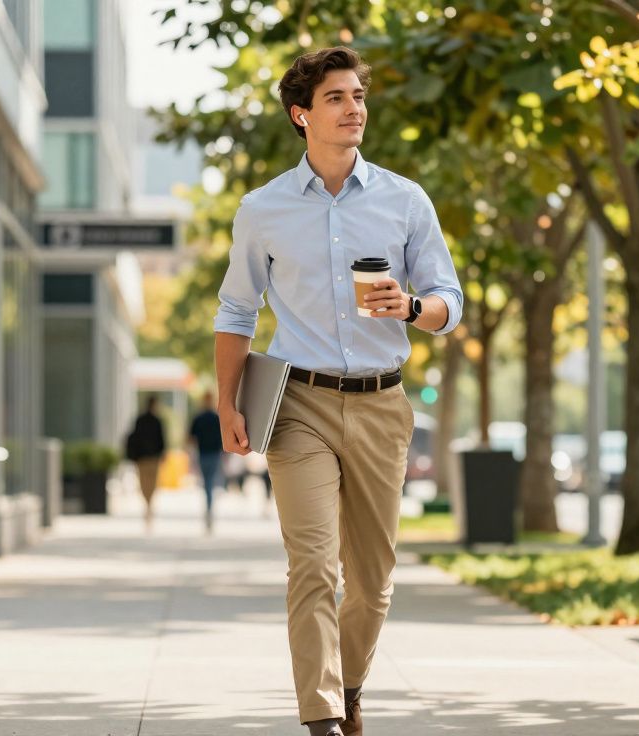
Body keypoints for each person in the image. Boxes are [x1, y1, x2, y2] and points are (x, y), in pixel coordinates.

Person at [212, 47, 463, 736]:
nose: (354, 108)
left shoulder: (404, 199)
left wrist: (412, 308)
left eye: (358, 96)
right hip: (300, 405)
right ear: (302, 115)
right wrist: (226, 404)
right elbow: (236, 311)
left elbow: (450, 300)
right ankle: (322, 718)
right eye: (336, 98)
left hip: (384, 403)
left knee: (374, 578)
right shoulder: (262, 211)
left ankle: (349, 686)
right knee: (314, 565)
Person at [124, 396, 166, 531]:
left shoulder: (140, 420)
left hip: (142, 459)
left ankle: (147, 505)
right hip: (152, 458)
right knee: (151, 484)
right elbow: (161, 441)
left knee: (144, 484)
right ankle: (149, 505)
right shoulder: (156, 421)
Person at [188, 391, 224, 534]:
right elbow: (222, 437)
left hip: (203, 454)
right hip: (214, 455)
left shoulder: (199, 418)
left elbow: (191, 438)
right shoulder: (216, 418)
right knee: (210, 482)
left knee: (207, 482)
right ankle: (209, 509)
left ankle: (208, 508)